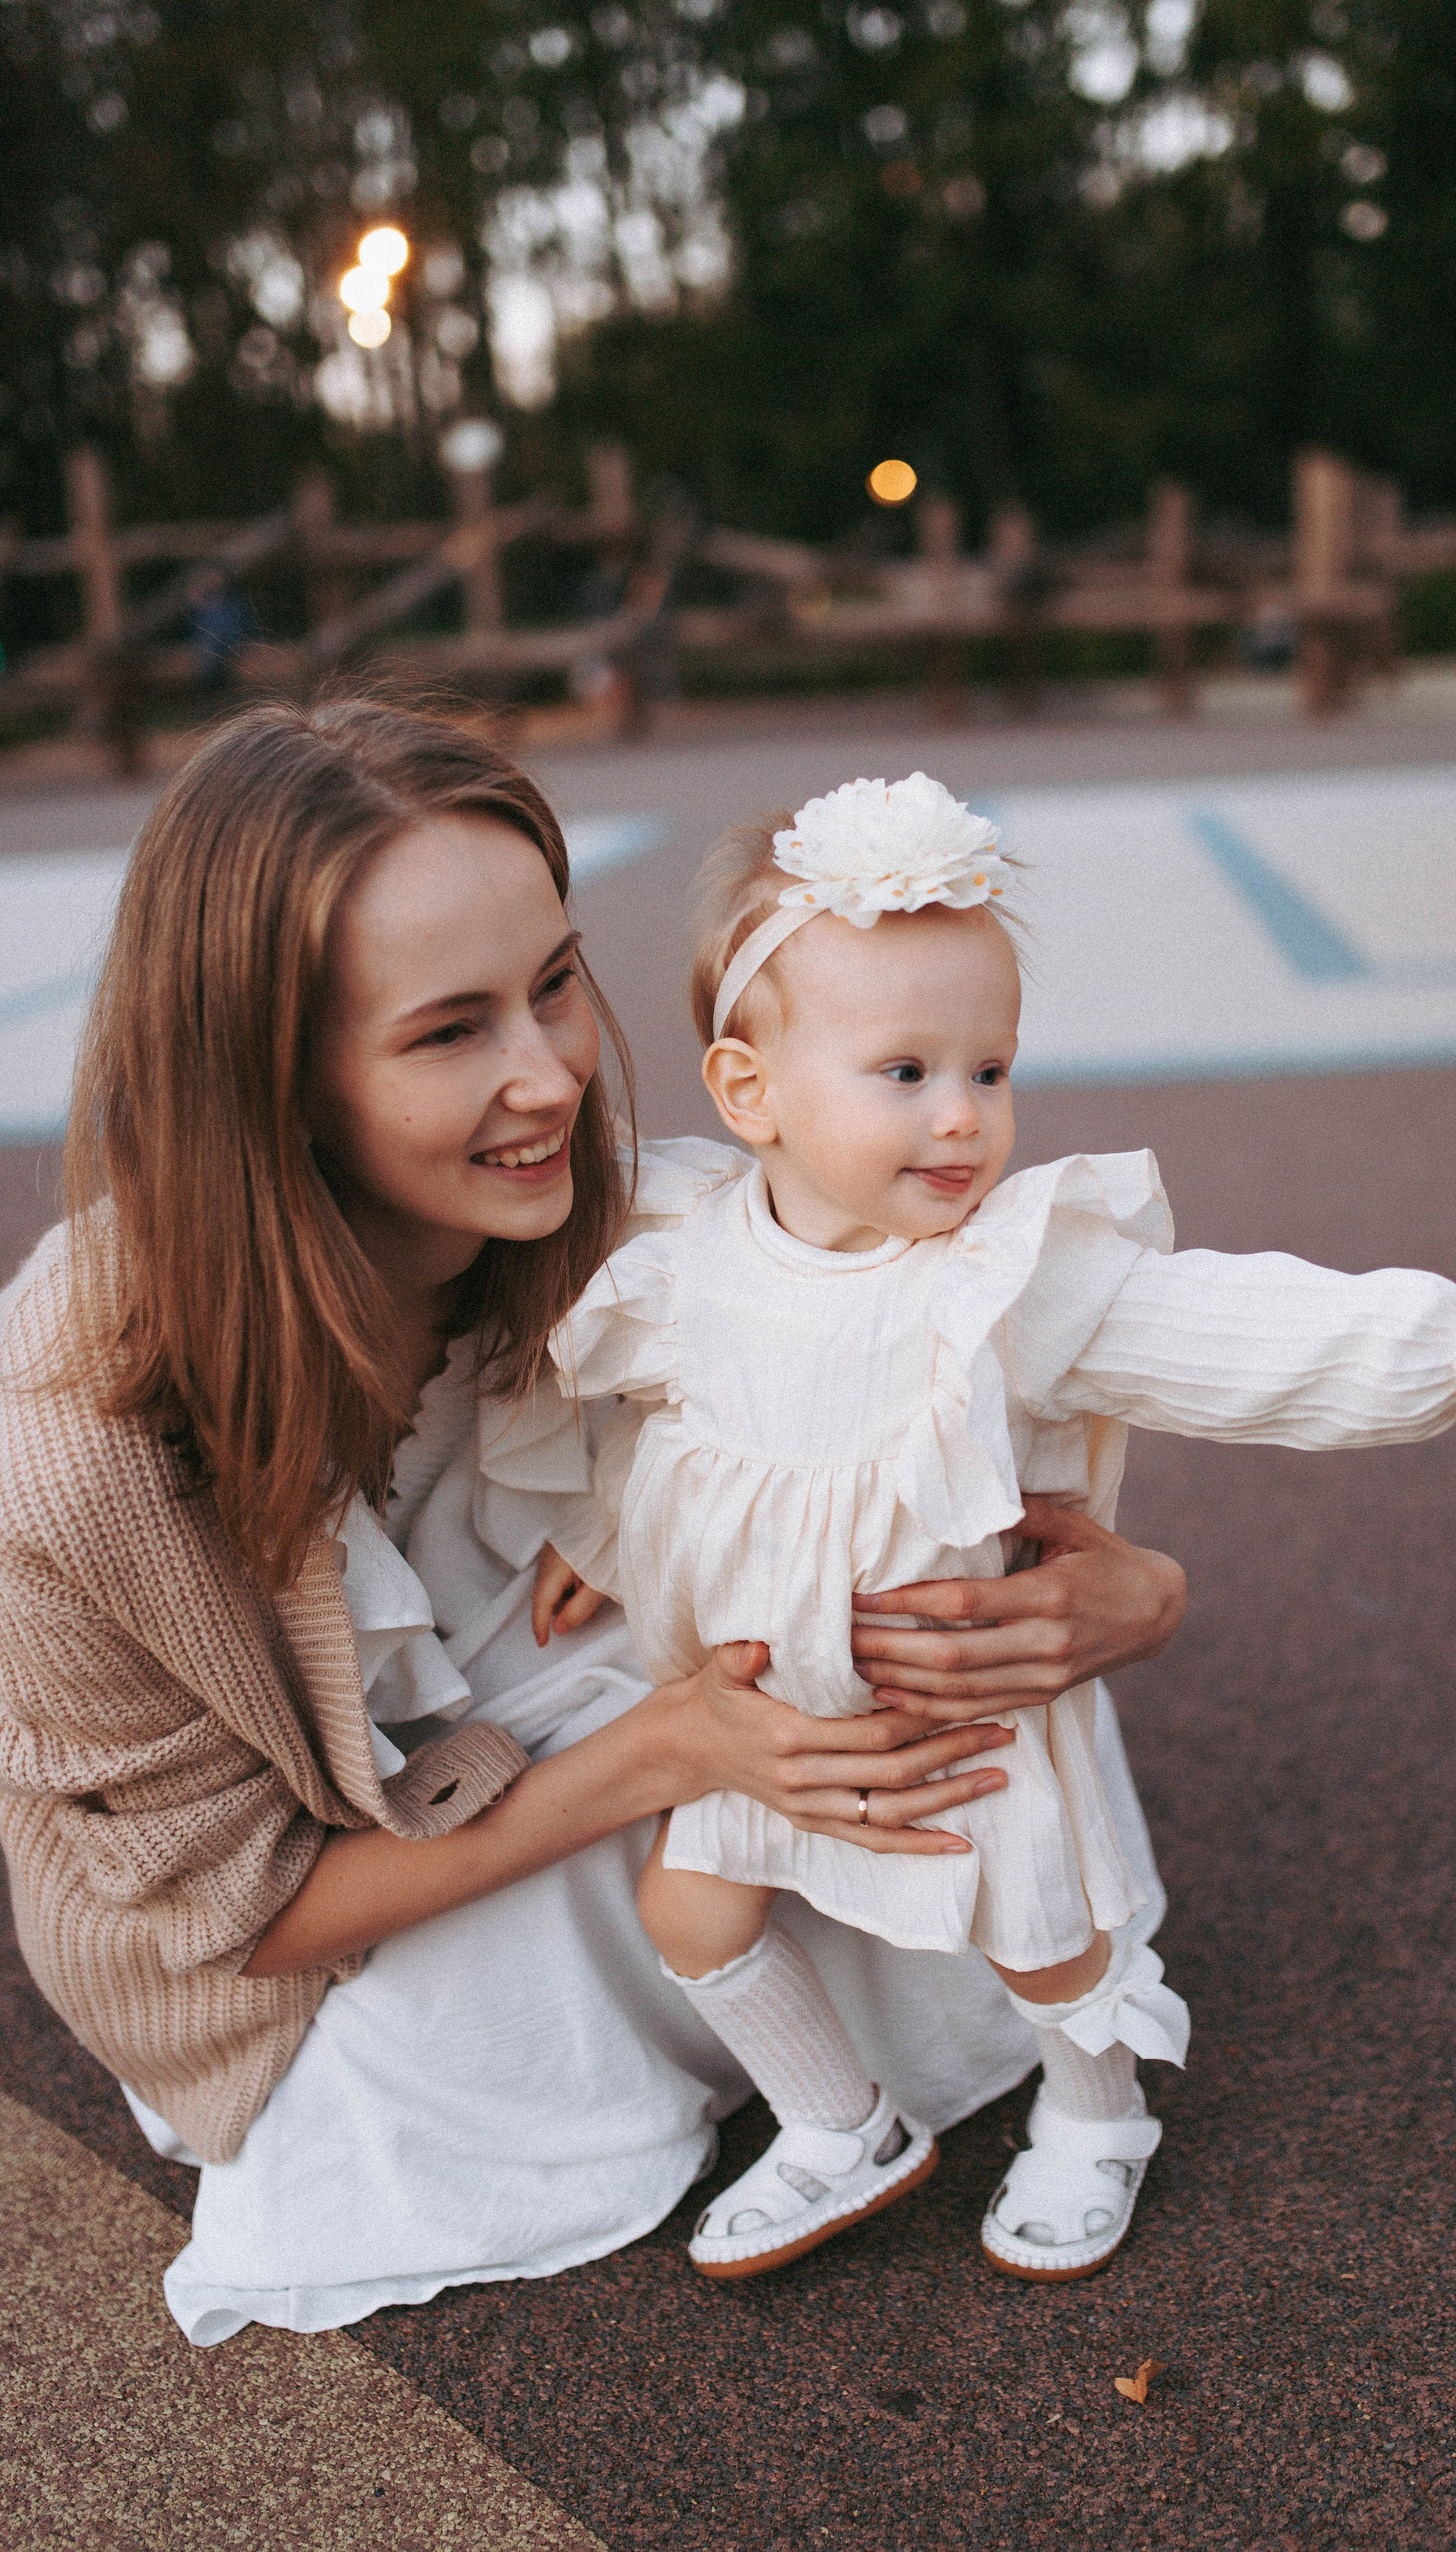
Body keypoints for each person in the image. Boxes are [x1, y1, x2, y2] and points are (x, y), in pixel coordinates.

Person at [0, 701, 1187, 2347]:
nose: (550, 1076)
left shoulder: (634, 1220)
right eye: (448, 1033)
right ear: (273, 1084)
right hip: (298, 1940)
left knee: (909, 1630)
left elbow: (934, 1383)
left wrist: (1134, 1594)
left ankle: (861, 2029)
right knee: (679, 1855)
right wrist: (670, 1750)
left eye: (553, 982)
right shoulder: (78, 1455)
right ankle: (813, 2046)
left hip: (516, 1718)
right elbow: (240, 1921)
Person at [534, 772, 1456, 2287]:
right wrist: (598, 1542)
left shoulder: (1004, 1279)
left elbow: (1240, 1330)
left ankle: (1096, 2112)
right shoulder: (684, 1256)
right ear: (749, 1094)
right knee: (689, 1907)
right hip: (765, 1722)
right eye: (904, 1072)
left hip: (959, 1718)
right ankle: (838, 2123)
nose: (964, 1114)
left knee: (1040, 1936)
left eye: (990, 1068)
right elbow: (646, 1443)